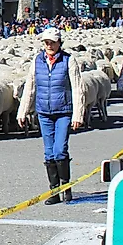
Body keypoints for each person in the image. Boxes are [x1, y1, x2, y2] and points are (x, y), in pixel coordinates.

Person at [16, 28, 84, 205]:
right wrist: (22, 111)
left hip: (63, 111)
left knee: (60, 150)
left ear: (59, 43)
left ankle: (65, 187)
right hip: (44, 112)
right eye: (46, 42)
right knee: (48, 153)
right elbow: (30, 86)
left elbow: (77, 88)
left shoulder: (69, 60)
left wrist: (78, 114)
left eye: (52, 42)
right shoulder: (37, 61)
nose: (49, 45)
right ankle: (54, 191)